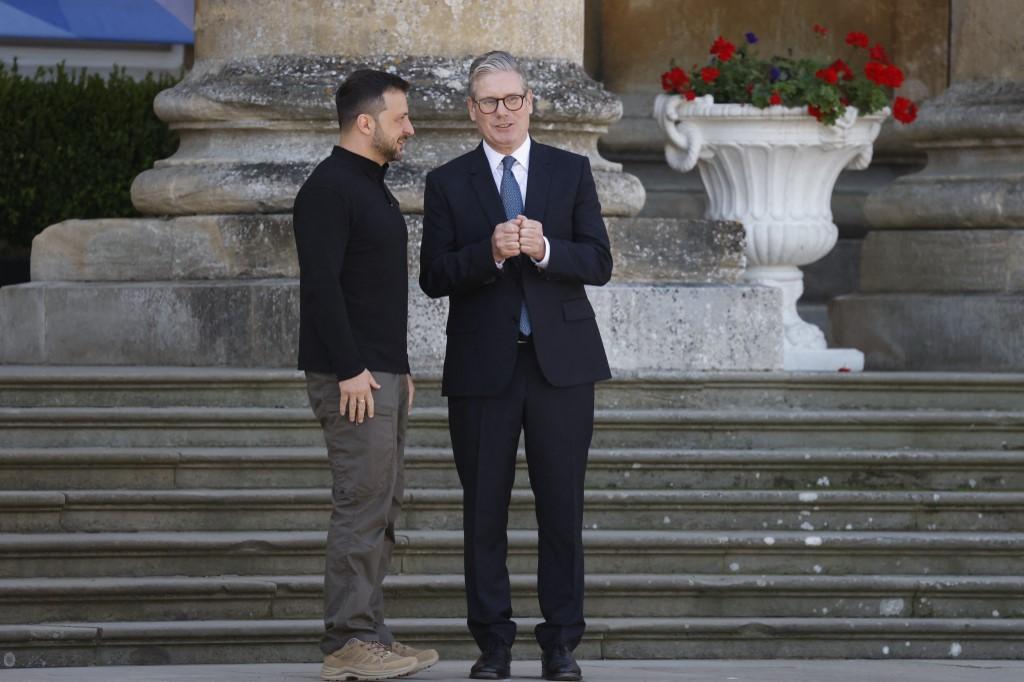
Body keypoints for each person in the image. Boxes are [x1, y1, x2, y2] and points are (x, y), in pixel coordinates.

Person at [419, 51, 613, 681]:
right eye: (488, 103)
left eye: (512, 100)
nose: (502, 112)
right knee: (484, 512)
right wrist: (490, 253)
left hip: (562, 366)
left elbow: (598, 262)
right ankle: (494, 644)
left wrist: (546, 248)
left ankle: (560, 643)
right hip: (482, 369)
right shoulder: (447, 182)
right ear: (472, 111)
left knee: (563, 509)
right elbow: (433, 277)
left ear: (531, 103)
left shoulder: (571, 169)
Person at [293, 68, 439, 681]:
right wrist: (352, 368)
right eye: (400, 118)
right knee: (360, 505)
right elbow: (321, 287)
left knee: (381, 503)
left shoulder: (370, 186)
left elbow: (372, 292)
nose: (409, 128)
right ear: (365, 122)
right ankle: (348, 643)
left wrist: (396, 368)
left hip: (380, 375)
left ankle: (369, 632)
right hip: (351, 377)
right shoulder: (329, 188)